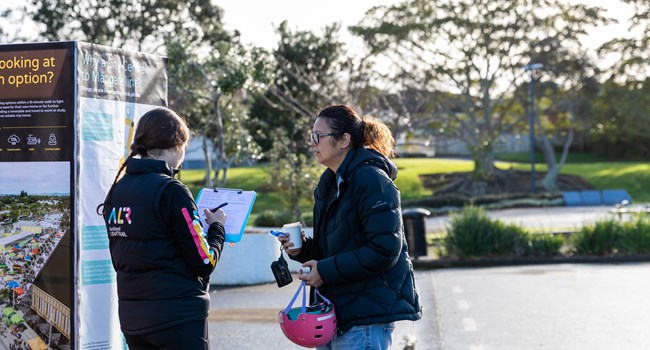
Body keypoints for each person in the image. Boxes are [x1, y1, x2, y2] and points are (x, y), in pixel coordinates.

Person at [279, 104, 422, 349]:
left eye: (318, 136)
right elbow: (338, 248)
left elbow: (384, 249)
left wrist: (324, 270)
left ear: (344, 139)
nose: (313, 143)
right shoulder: (330, 184)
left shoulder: (371, 179)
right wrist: (302, 249)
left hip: (364, 318)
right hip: (335, 314)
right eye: (311, 137)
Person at [97, 107, 226, 350]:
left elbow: (122, 258)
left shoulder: (118, 190)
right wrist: (217, 228)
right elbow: (204, 260)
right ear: (176, 145)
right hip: (177, 318)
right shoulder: (172, 191)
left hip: (133, 319)